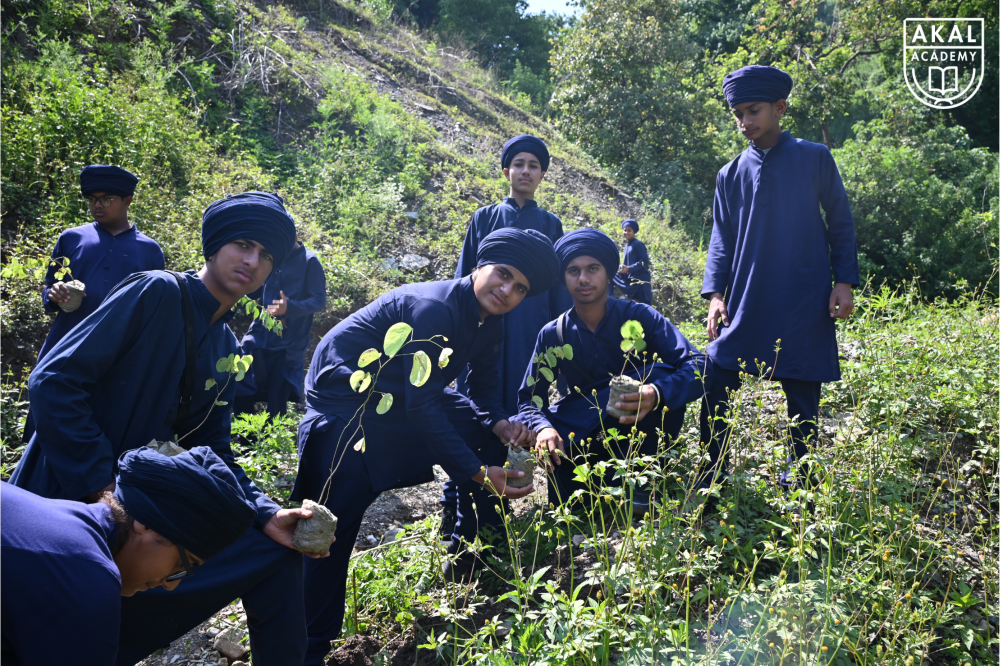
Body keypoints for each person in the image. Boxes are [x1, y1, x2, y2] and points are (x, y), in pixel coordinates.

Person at [10, 191, 326, 665]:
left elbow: (211, 448)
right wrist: (101, 483)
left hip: (144, 516)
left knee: (272, 553)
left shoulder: (223, 342)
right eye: (242, 244)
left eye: (266, 255)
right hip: (68, 492)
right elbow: (54, 382)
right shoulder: (157, 292)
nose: (252, 261)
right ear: (215, 246)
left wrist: (263, 512)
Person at [294, 228, 559, 664]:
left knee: (477, 427)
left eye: (521, 288)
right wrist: (476, 472)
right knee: (329, 527)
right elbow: (423, 407)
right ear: (480, 265)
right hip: (346, 394)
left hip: (400, 391)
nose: (508, 290)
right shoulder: (435, 308)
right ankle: (306, 646)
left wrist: (498, 424)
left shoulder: (489, 322)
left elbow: (486, 386)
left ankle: (473, 552)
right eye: (504, 275)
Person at [700, 65, 859, 490]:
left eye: (753, 111)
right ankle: (712, 474)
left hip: (804, 293)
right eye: (738, 114)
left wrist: (843, 282)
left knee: (802, 387)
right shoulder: (729, 174)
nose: (745, 122)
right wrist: (716, 294)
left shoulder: (814, 158)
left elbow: (840, 222)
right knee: (717, 374)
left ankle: (800, 477)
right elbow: (721, 239)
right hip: (748, 295)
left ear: (779, 107)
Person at [1, 446, 259, 666]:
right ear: (146, 523)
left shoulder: (60, 516)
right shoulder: (88, 580)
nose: (171, 584)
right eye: (182, 563)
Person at [518, 228, 711, 506]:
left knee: (660, 374)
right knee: (567, 494)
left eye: (592, 268)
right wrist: (543, 427)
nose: (583, 278)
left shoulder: (640, 316)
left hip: (639, 428)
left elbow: (698, 365)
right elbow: (528, 399)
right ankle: (585, 487)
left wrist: (655, 393)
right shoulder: (554, 334)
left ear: (609, 273)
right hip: (589, 432)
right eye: (573, 271)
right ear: (563, 279)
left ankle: (643, 482)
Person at [440, 134, 571, 535]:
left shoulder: (551, 225)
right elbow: (466, 275)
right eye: (519, 164)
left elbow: (557, 293)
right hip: (482, 334)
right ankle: (457, 506)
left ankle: (503, 509)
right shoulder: (483, 219)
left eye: (534, 165)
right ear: (506, 172)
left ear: (543, 175)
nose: (526, 171)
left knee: (520, 413)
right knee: (474, 410)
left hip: (529, 336)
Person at [23, 165, 165, 441]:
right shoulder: (72, 238)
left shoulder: (149, 251)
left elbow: (154, 309)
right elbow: (49, 286)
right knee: (47, 419)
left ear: (127, 201)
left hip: (118, 357)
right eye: (92, 199)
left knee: (101, 422)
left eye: (106, 199)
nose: (97, 205)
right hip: (66, 344)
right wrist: (54, 294)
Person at [235, 232, 327, 420]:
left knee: (277, 400)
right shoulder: (270, 256)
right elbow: (257, 289)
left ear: (295, 236)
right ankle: (245, 441)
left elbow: (319, 300)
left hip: (288, 343)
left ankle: (269, 445)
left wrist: (289, 307)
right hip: (260, 334)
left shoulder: (310, 261)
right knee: (240, 385)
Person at [612, 218, 653, 305]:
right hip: (630, 280)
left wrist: (629, 268)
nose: (626, 233)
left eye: (629, 230)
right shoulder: (627, 246)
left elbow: (645, 261)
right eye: (625, 230)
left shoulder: (638, 244)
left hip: (640, 282)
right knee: (610, 273)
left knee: (644, 308)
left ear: (634, 232)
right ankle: (609, 299)